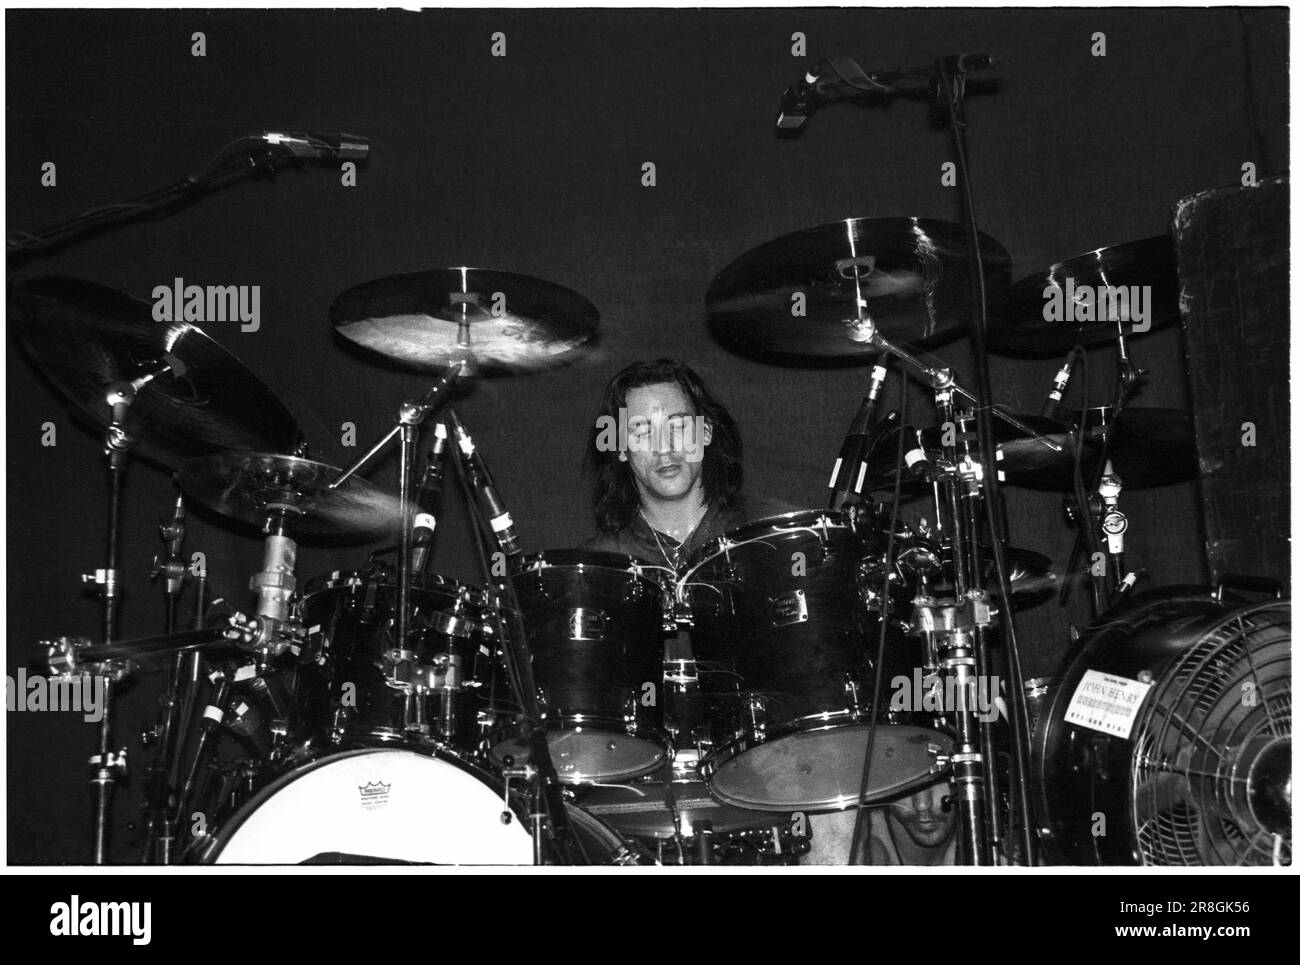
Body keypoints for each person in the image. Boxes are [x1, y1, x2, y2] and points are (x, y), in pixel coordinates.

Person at [580, 357, 789, 567]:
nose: (663, 447)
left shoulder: (774, 533)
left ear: (705, 432)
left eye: (678, 426)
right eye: (643, 432)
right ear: (621, 449)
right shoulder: (601, 564)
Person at [801, 778, 959, 865]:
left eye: (939, 779)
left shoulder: (981, 835)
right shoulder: (866, 849)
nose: (922, 804)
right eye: (906, 780)